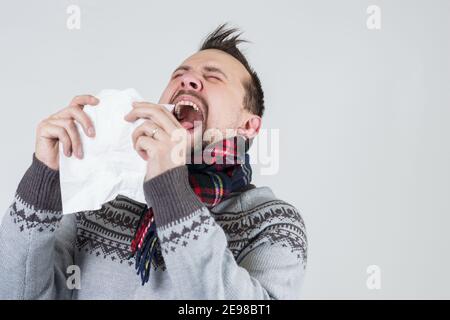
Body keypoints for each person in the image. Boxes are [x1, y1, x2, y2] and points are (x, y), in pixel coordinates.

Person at [0, 24, 307, 299]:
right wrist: (42, 182)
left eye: (213, 76)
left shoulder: (273, 222)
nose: (188, 79)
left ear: (248, 126)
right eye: (179, 74)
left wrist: (170, 189)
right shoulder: (100, 195)